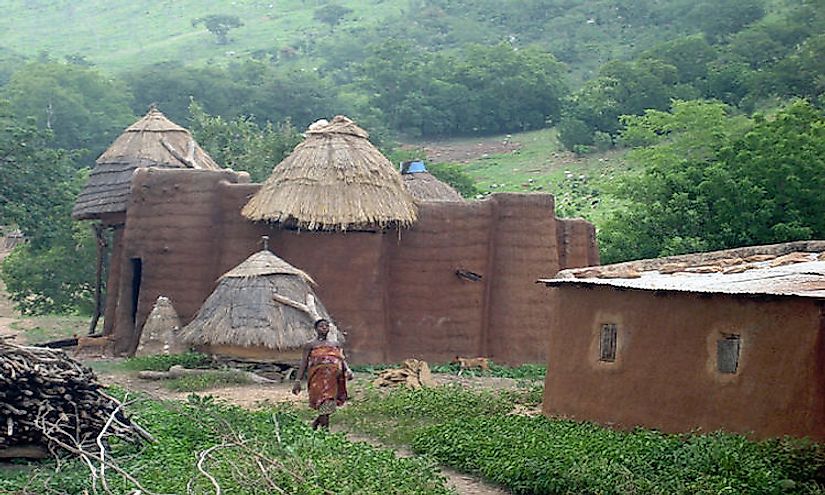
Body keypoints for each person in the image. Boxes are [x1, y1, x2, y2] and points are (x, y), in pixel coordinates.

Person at [292, 319, 353, 430]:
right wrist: (297, 381)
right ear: (316, 329)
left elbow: (341, 359)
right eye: (321, 326)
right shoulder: (310, 345)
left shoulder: (335, 344)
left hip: (333, 379)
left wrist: (348, 370)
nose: (324, 328)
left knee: (328, 401)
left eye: (326, 326)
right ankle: (322, 429)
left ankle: (321, 427)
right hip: (317, 378)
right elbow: (304, 362)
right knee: (322, 401)